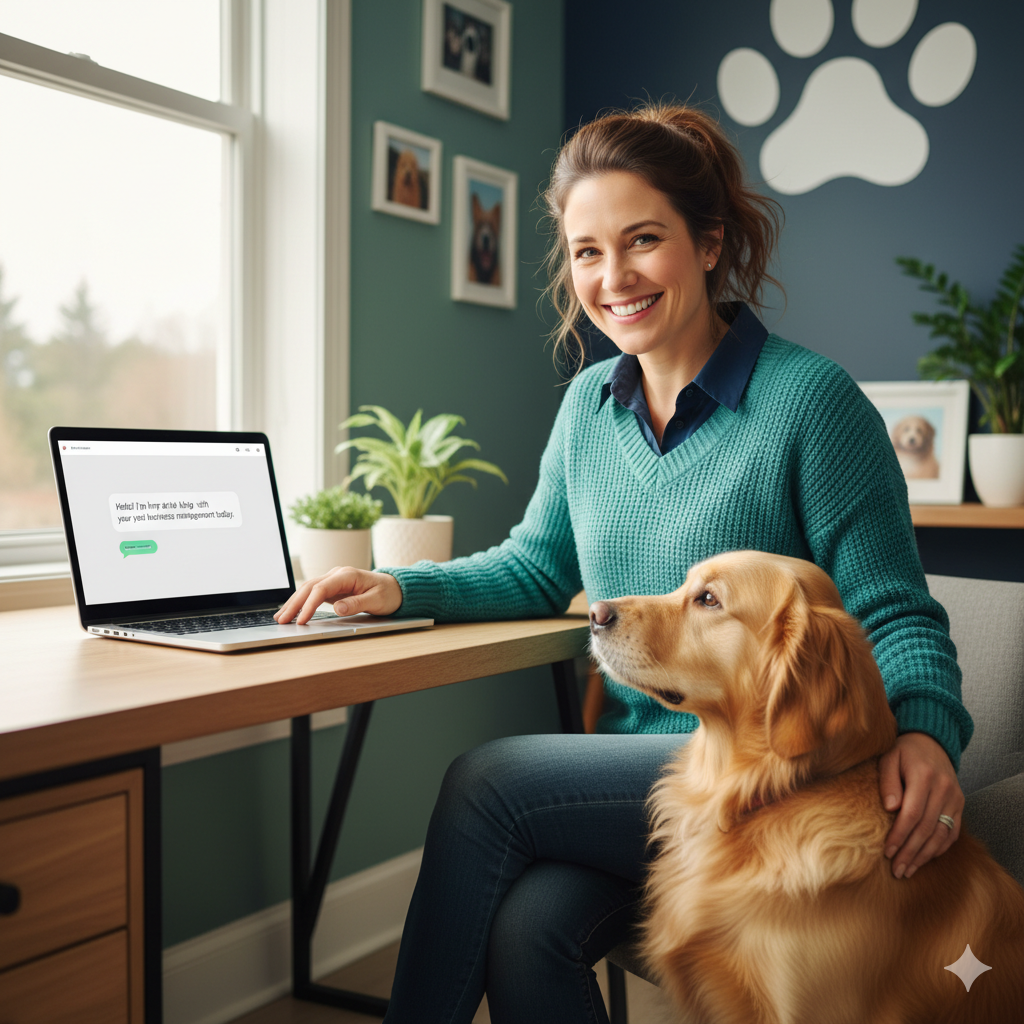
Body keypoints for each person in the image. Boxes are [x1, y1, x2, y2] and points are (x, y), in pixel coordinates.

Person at [275, 103, 972, 1024]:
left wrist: (926, 732)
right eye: (587, 252)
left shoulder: (813, 403)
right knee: (529, 928)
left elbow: (893, 609)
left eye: (643, 240)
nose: (614, 278)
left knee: (486, 784)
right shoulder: (584, 411)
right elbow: (535, 567)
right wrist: (401, 586)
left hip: (775, 779)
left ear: (712, 242)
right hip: (653, 789)